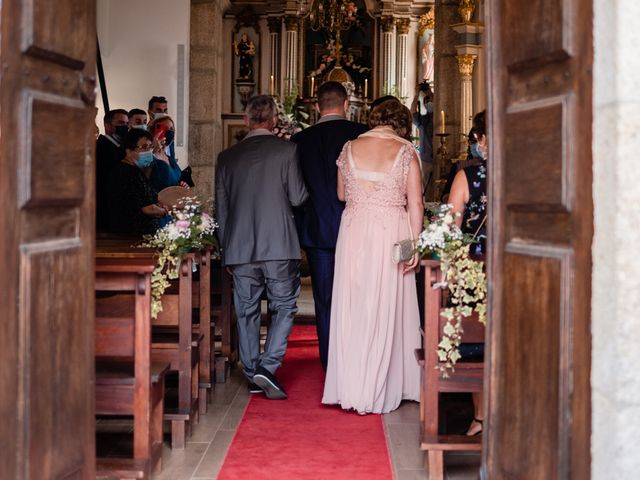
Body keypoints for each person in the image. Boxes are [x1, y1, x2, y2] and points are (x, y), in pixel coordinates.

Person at [322, 99, 423, 414]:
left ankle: (352, 383)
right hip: (391, 230)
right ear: (401, 123)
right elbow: (416, 202)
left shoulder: (349, 147)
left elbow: (341, 194)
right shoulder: (406, 152)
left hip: (354, 228)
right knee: (386, 300)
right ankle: (389, 380)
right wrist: (414, 244)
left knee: (355, 300)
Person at [215, 95, 308, 399]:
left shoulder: (227, 157)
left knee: (246, 309)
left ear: (246, 120)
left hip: (239, 247)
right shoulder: (287, 150)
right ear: (273, 121)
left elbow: (222, 209)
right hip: (279, 243)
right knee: (283, 306)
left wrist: (226, 250)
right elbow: (297, 197)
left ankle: (253, 369)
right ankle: (267, 367)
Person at [291, 81, 368, 371]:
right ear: (347, 104)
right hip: (357, 227)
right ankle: (355, 357)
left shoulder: (300, 141)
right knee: (358, 294)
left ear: (316, 106)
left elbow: (294, 191)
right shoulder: (361, 135)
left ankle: (329, 361)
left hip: (316, 229)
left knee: (324, 298)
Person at [448, 110, 487, 435]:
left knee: (477, 341)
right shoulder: (530, 172)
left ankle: (481, 416)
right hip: (522, 266)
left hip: (475, 268)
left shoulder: (469, 176)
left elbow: (451, 230)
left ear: (482, 139)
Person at [106, 129, 169, 235]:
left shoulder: (134, 170)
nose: (148, 151)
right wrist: (165, 211)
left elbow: (145, 199)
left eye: (150, 147)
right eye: (144, 147)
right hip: (131, 234)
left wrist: (159, 205)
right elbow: (146, 208)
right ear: (129, 151)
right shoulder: (126, 172)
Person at [96, 109, 129, 232]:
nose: (125, 127)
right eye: (121, 123)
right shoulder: (101, 147)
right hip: (106, 207)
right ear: (107, 125)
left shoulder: (120, 148)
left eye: (127, 124)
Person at [147, 115, 189, 192]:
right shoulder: (148, 156)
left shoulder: (170, 158)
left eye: (171, 129)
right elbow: (144, 179)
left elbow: (177, 179)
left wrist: (183, 185)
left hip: (174, 200)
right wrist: (153, 151)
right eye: (165, 129)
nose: (169, 132)